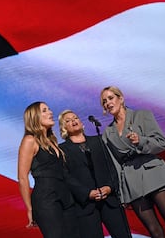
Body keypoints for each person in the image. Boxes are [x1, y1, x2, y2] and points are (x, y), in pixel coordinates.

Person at [100, 86, 165, 238]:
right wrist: (122, 193)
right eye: (104, 101)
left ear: (121, 98)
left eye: (111, 98)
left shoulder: (142, 115)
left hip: (154, 174)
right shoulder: (108, 133)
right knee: (154, 231)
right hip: (132, 183)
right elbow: (115, 164)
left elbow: (162, 143)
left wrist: (141, 140)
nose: (108, 103)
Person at [58, 109, 132, 238]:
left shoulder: (98, 141)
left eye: (75, 118)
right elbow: (66, 177)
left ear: (81, 122)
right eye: (68, 121)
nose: (73, 121)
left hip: (109, 200)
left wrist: (109, 187)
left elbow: (111, 166)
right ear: (64, 128)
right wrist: (87, 193)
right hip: (85, 205)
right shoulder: (62, 150)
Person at [17, 101, 80, 238]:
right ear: (35, 117)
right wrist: (29, 209)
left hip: (66, 197)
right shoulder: (30, 140)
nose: (50, 112)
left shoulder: (52, 141)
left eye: (49, 109)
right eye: (45, 110)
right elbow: (22, 177)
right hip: (46, 199)